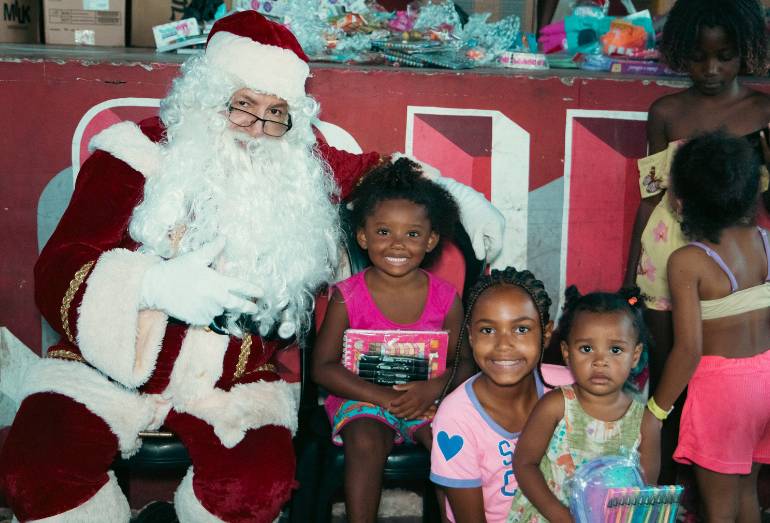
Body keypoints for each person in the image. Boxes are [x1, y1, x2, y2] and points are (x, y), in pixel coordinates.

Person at [0, 10, 505, 523]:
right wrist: (153, 285)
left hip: (230, 381)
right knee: (43, 468)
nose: (258, 129)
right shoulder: (134, 155)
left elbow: (380, 171)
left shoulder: (300, 162)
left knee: (252, 489)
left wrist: (455, 195)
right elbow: (58, 271)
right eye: (242, 107)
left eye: (275, 113)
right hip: (110, 369)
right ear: (208, 96)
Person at [623, 0, 770, 483]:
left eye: (724, 56)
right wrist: (630, 274)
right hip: (669, 256)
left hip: (733, 261)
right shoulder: (665, 111)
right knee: (671, 370)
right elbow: (651, 199)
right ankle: (674, 484)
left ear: (744, 52)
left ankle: (731, 478)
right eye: (699, 57)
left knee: (732, 369)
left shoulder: (763, 109)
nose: (711, 69)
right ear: (681, 53)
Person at [312, 159, 475, 523]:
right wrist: (385, 397)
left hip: (426, 401)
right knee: (366, 440)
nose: (397, 244)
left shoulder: (446, 298)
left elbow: (465, 363)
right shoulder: (347, 296)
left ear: (431, 239)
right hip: (364, 401)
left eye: (413, 234)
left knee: (449, 441)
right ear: (363, 236)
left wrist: (433, 387)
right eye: (384, 232)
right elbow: (322, 368)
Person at [643, 131, 770, 522]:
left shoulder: (688, 261)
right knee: (747, 492)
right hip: (766, 381)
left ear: (679, 202)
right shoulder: (766, 240)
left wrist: (655, 410)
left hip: (723, 392)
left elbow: (688, 350)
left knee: (717, 507)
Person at [429, 267, 573, 523]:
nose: (503, 345)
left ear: (546, 334)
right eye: (487, 330)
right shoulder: (457, 417)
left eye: (521, 330)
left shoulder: (569, 388)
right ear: (471, 336)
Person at [507, 286, 659, 523]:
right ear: (567, 353)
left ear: (635, 355)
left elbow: (644, 492)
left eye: (615, 350)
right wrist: (562, 517)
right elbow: (524, 464)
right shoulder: (556, 406)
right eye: (586, 349)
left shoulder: (645, 422)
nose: (600, 361)